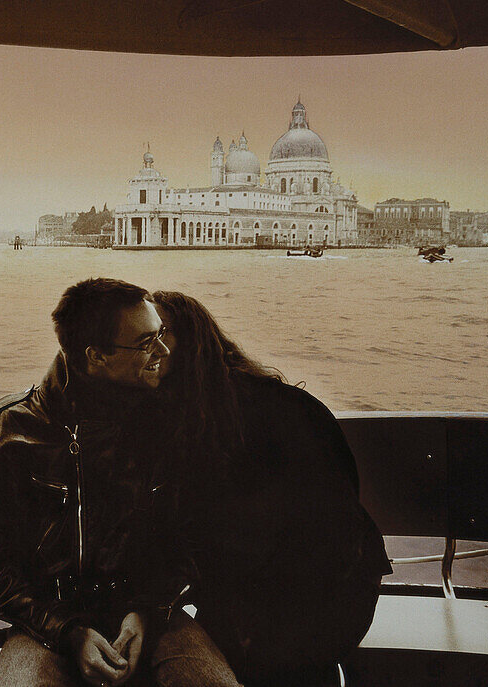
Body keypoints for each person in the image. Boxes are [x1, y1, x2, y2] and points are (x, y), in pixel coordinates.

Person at [0, 278, 240, 687]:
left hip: (151, 612)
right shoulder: (9, 433)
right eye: (146, 341)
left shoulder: (167, 422)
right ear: (97, 356)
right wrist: (68, 632)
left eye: (160, 334)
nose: (163, 351)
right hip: (45, 623)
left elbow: (194, 534)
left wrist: (146, 610)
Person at [148, 291, 392, 686]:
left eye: (159, 335)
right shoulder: (271, 398)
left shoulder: (211, 419)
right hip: (346, 591)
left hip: (300, 606)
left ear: (190, 341)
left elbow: (240, 535)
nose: (149, 349)